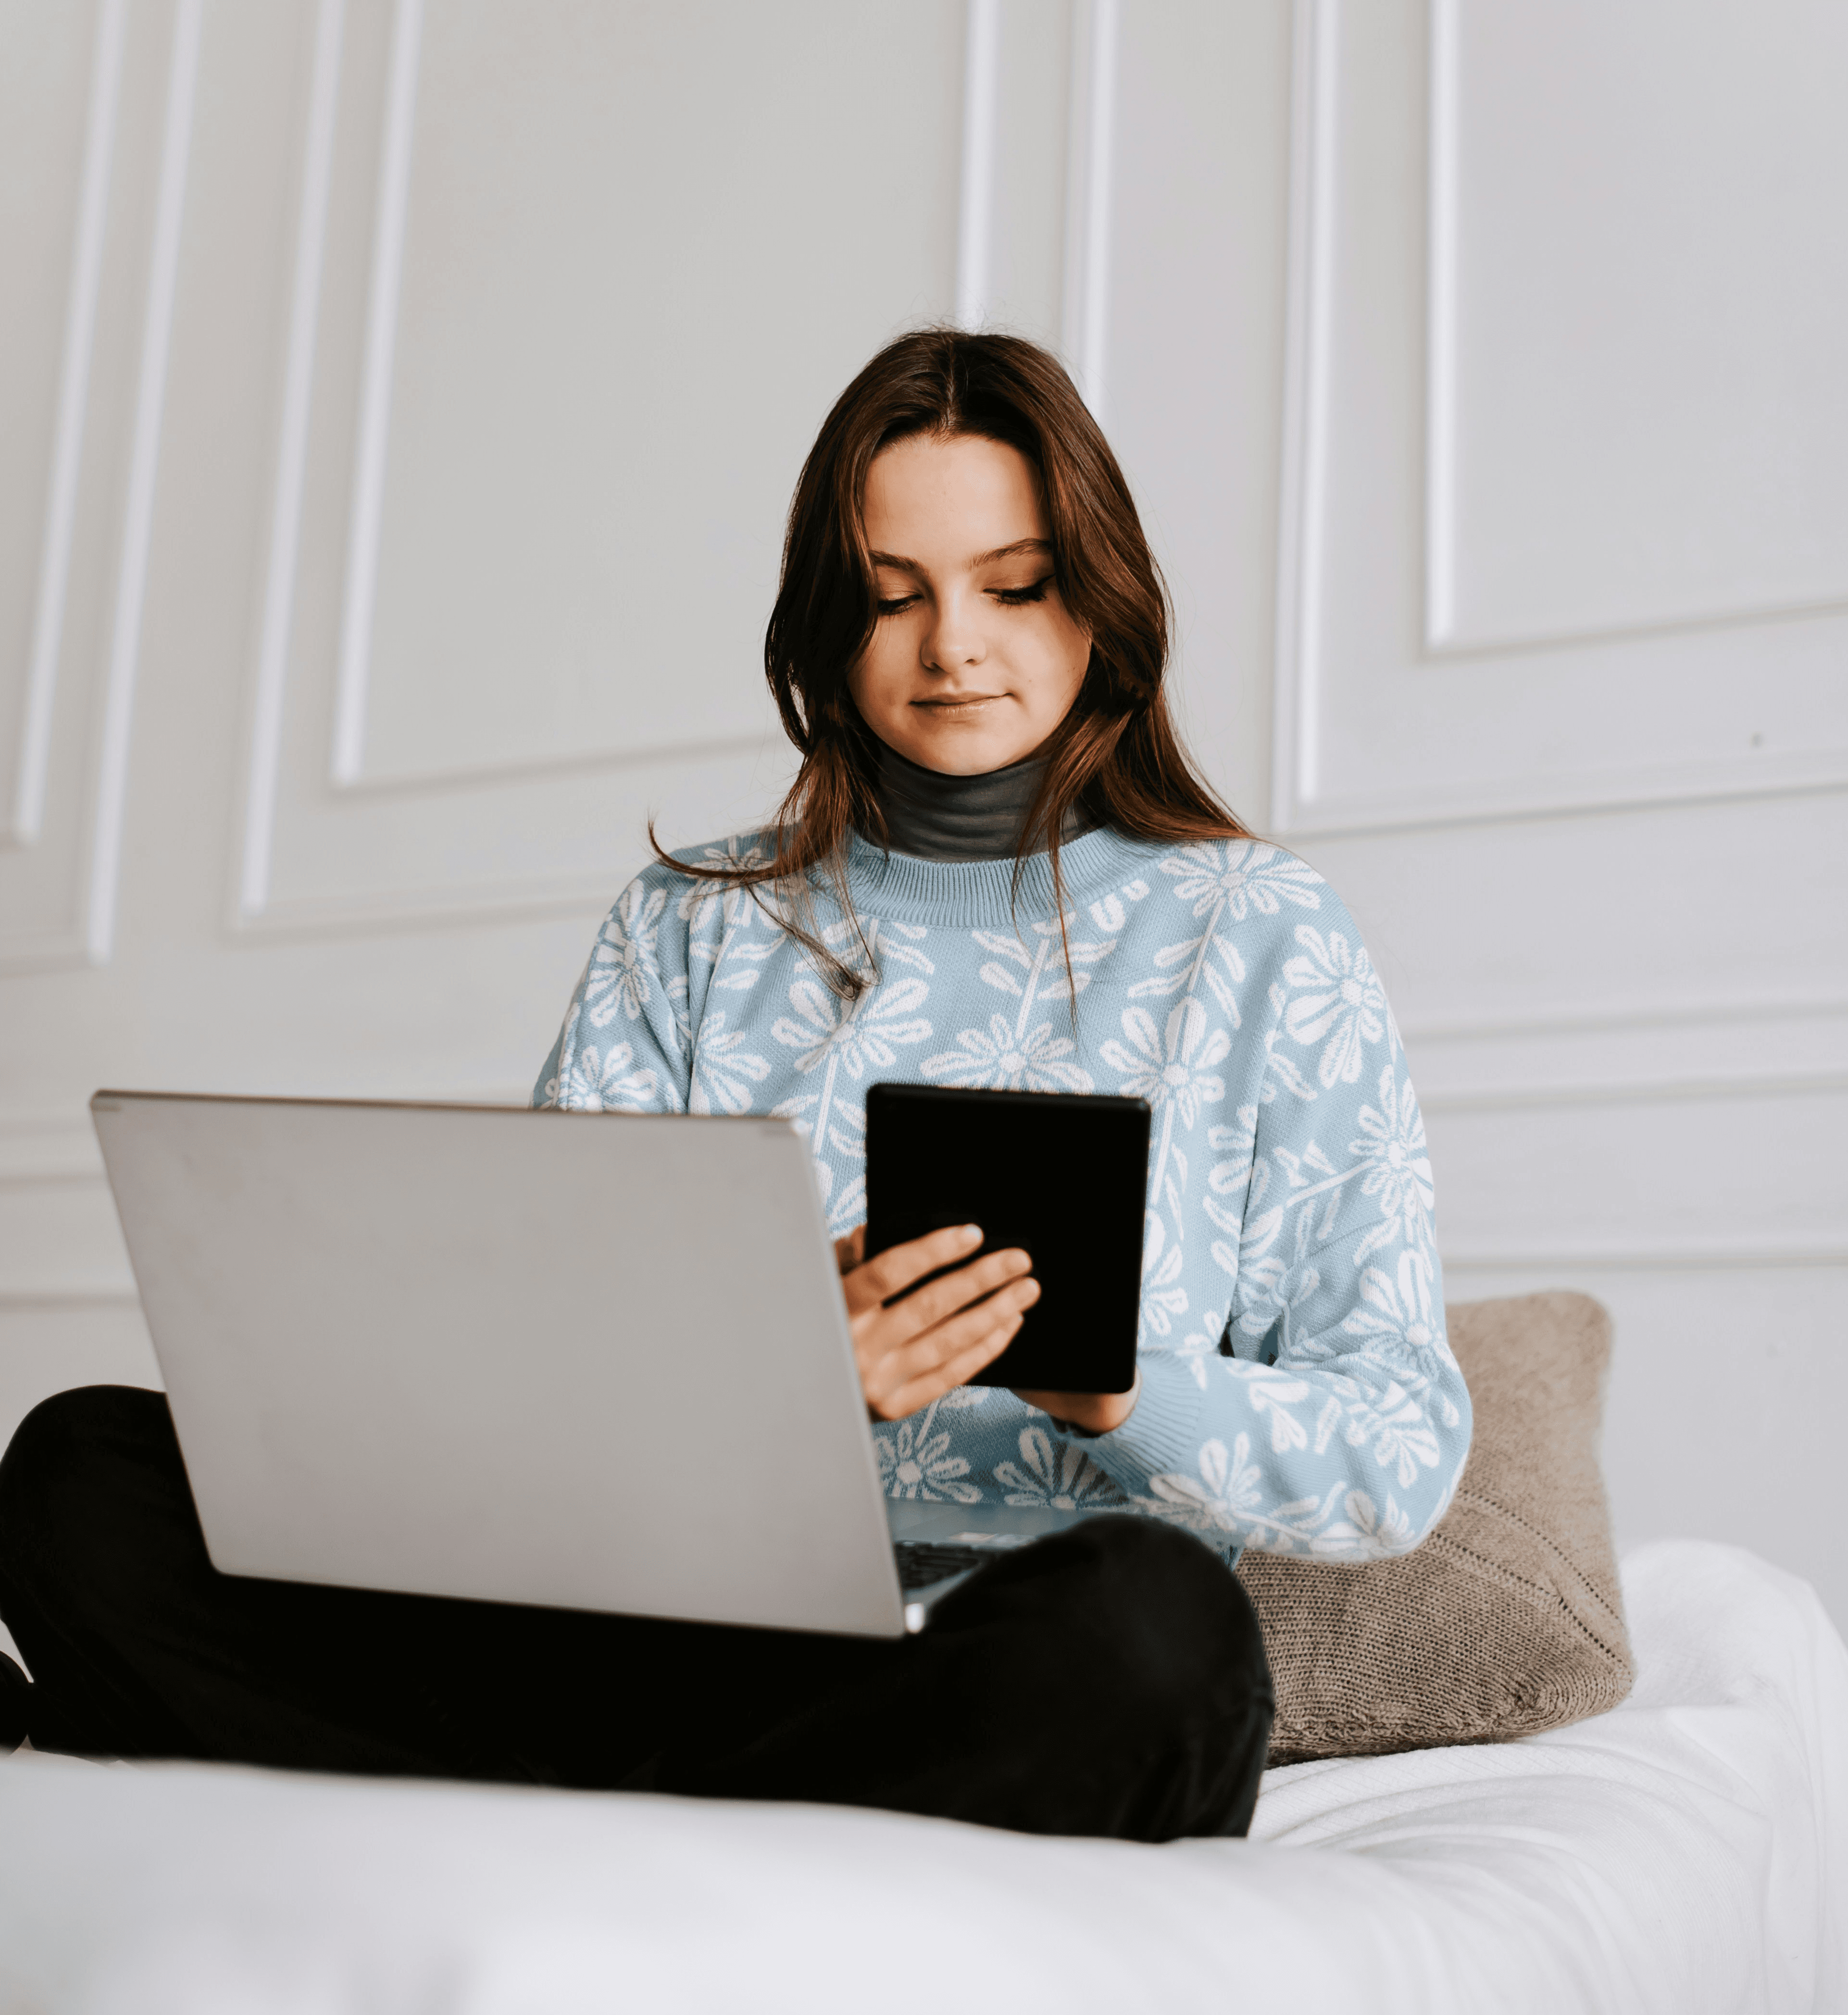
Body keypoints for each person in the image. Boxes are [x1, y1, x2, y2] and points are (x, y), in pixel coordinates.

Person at [0, 330, 1468, 1842]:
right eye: (895, 596)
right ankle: (654, 1814)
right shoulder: (690, 924)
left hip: (1000, 1665)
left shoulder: (1264, 934)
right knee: (77, 1468)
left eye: (1013, 585)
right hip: (647, 1649)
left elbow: (1397, 1451)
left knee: (1164, 1640)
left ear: (1104, 596)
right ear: (829, 626)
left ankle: (487, 1803)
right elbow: (539, 1382)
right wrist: (786, 1382)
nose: (954, 643)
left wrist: (1121, 1388)